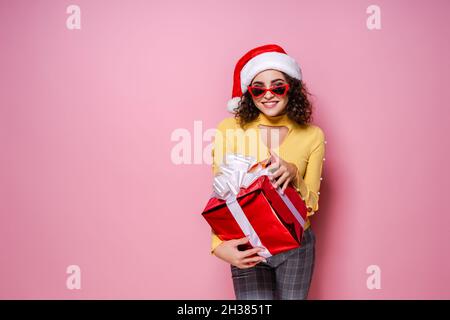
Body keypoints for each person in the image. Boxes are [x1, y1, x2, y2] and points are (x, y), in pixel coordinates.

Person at [210, 44, 326, 300]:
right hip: (248, 244)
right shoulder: (229, 129)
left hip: (297, 245)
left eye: (278, 86)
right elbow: (222, 195)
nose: (268, 94)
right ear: (249, 94)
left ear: (291, 88)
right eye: (258, 88)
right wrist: (219, 247)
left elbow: (312, 205)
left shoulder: (312, 136)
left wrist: (294, 173)